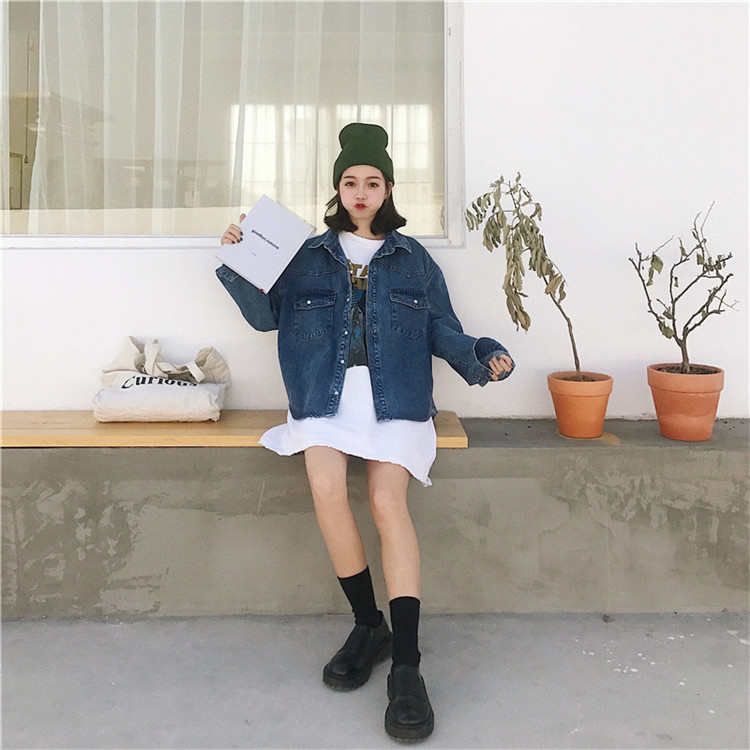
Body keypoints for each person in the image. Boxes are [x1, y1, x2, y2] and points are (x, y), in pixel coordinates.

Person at [217, 122, 514, 742]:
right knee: (327, 490)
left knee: (385, 501)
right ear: (338, 189)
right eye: (350, 181)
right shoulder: (304, 254)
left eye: (372, 182)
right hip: (322, 398)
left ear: (388, 190)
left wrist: (481, 354)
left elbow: (441, 327)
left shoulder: (413, 258)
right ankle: (367, 625)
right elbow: (265, 317)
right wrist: (241, 258)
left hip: (395, 399)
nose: (360, 191)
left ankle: (406, 664)